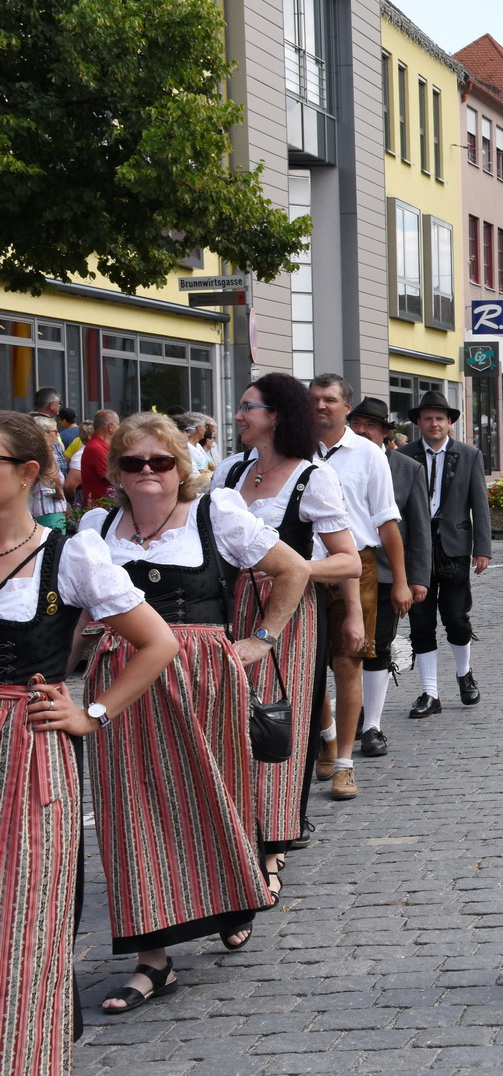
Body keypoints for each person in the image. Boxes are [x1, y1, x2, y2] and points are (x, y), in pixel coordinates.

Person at [84, 413, 309, 1009]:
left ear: (182, 467)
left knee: (216, 792)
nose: (149, 473)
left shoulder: (217, 513)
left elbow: (293, 568)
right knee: (128, 809)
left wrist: (261, 638)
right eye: (135, 463)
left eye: (161, 461)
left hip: (203, 674)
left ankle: (233, 898)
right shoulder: (97, 526)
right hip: (124, 676)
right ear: (119, 473)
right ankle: (151, 960)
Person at [0, 411, 177, 1068]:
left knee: (28, 921)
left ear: (27, 473)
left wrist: (92, 712)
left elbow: (156, 642)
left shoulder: (68, 553)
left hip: (29, 749)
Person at [212, 374, 361, 890]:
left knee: (276, 725)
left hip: (291, 618)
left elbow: (347, 563)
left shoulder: (311, 477)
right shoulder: (230, 472)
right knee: (231, 723)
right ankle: (241, 835)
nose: (238, 416)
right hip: (229, 611)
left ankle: (274, 843)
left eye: (247, 407)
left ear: (274, 415)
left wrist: (286, 567)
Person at [309, 374, 401, 801]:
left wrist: (400, 579)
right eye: (315, 400)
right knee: (306, 666)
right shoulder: (294, 449)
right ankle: (326, 733)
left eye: (329, 399)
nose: (321, 406)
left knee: (348, 663)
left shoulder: (369, 455)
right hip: (301, 566)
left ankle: (344, 763)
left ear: (347, 407)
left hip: (356, 566)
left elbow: (386, 521)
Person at [345, 396, 431, 759]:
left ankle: (372, 725)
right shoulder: (331, 461)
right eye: (358, 423)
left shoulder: (407, 468)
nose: (362, 430)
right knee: (341, 650)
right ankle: (342, 719)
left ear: (384, 432)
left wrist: (415, 579)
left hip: (382, 572)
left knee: (378, 645)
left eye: (371, 425)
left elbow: (419, 527)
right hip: (338, 567)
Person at [400, 391, 492, 719]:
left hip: (453, 546)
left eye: (440, 418)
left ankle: (464, 674)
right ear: (418, 423)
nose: (434, 423)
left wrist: (483, 549)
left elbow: (479, 504)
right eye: (428, 418)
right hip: (415, 551)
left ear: (450, 422)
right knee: (421, 622)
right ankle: (429, 692)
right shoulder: (404, 456)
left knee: (456, 617)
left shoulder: (468, 455)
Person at [27, 414, 68, 531]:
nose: (57, 434)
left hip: (37, 508)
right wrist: (59, 493)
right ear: (45, 433)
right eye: (55, 431)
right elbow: (54, 475)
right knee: (53, 546)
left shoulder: (32, 451)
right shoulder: (46, 452)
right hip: (50, 508)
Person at [78, 409, 118, 504]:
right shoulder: (96, 448)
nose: (119, 428)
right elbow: (114, 477)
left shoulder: (98, 446)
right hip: (101, 508)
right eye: (118, 424)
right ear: (111, 427)